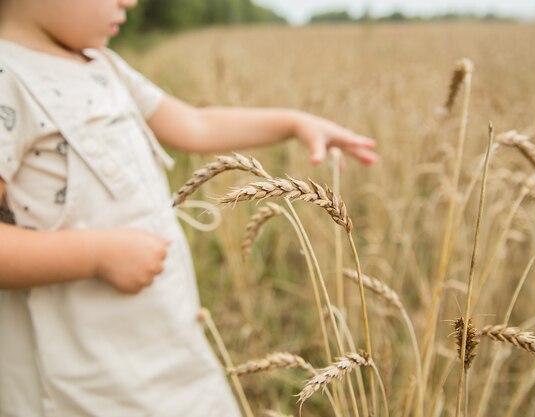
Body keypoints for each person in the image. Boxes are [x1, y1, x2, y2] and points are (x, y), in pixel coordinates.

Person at [0, 0, 378, 415]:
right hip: (80, 377)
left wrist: (293, 123)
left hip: (161, 338)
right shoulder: (9, 79)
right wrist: (98, 255)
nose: (130, 2)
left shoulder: (103, 65)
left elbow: (195, 124)